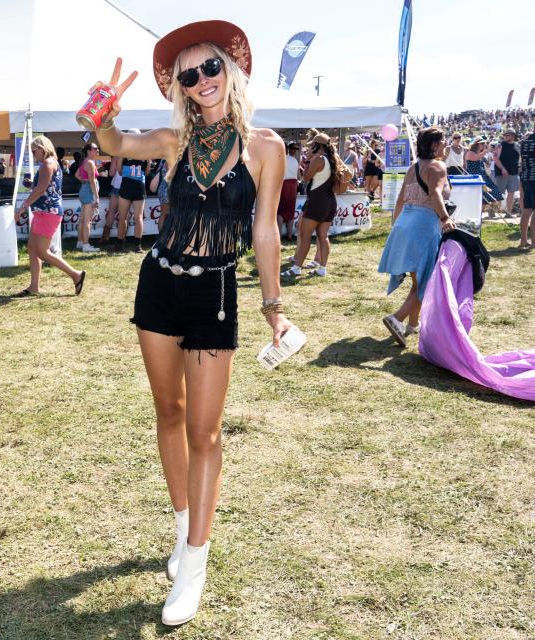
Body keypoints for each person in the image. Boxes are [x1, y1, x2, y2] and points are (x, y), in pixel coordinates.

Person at [94, 21, 289, 625]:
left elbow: (265, 230)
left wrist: (275, 309)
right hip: (158, 285)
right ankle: (184, 530)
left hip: (217, 295)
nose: (201, 80)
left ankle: (196, 563)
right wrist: (101, 113)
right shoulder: (174, 141)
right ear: (179, 86)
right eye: (189, 74)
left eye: (211, 68)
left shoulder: (265, 147)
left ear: (231, 70)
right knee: (169, 415)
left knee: (205, 433)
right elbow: (114, 146)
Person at [378, 127, 457, 345]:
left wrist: (396, 225)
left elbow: (401, 198)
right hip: (424, 226)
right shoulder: (438, 166)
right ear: (434, 145)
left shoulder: (413, 168)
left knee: (418, 280)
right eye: (443, 141)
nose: (445, 145)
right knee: (426, 280)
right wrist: (445, 218)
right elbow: (435, 194)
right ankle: (397, 318)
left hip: (405, 223)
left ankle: (413, 324)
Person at [13, 135, 86, 297]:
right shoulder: (51, 163)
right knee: (32, 248)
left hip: (48, 212)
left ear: (42, 148)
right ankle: (34, 287)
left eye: (34, 151)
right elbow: (43, 187)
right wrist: (32, 186)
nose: (33, 154)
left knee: (42, 252)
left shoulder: (47, 163)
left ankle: (76, 275)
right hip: (44, 211)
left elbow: (42, 189)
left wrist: (23, 207)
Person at [283, 133, 344, 278]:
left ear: (317, 146)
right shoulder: (332, 160)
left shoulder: (318, 159)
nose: (310, 147)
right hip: (330, 202)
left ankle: (297, 268)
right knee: (323, 236)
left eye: (312, 145)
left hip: (317, 201)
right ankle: (322, 268)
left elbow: (305, 177)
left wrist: (309, 160)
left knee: (305, 236)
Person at [116, 142, 148, 251]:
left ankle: (119, 243)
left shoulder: (124, 153)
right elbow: (147, 172)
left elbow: (119, 172)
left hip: (126, 185)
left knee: (123, 217)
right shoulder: (145, 154)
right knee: (138, 217)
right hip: (139, 186)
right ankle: (137, 245)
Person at [74, 142, 101, 253]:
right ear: (89, 151)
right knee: (87, 221)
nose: (97, 150)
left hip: (84, 190)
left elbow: (77, 175)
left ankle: (80, 242)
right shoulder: (90, 162)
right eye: (95, 149)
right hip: (89, 192)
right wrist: (97, 197)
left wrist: (84, 180)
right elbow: (92, 182)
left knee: (83, 220)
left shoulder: (85, 161)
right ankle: (86, 245)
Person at [277, 140, 300, 241]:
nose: (295, 151)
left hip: (284, 184)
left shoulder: (282, 159)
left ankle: (279, 235)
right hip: (293, 184)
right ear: (290, 149)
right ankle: (289, 235)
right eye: (294, 149)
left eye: (295, 149)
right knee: (290, 209)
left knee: (281, 210)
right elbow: (298, 175)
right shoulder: (295, 161)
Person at [494, 129, 521, 214]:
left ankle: (508, 212)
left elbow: (520, 158)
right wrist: (502, 169)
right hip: (502, 173)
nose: (505, 136)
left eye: (507, 135)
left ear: (513, 135)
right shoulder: (500, 145)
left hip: (514, 172)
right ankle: (495, 211)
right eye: (504, 135)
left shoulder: (517, 145)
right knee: (499, 192)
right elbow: (495, 159)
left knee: (511, 192)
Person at [519, 130, 535, 249]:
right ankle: (534, 242)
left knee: (527, 209)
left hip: (525, 177)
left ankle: (523, 241)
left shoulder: (524, 142)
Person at [150, 157, 171, 232]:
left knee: (164, 214)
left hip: (162, 188)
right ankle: (164, 237)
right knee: (167, 214)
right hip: (169, 189)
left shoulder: (163, 159)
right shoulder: (171, 158)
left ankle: (161, 237)